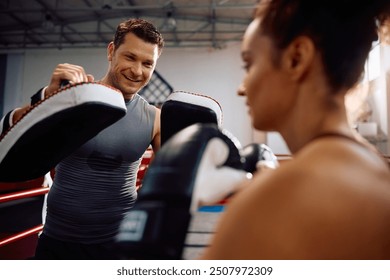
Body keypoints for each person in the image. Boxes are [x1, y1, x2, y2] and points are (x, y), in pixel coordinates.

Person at [201, 0, 390, 259]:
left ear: (296, 58)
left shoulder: (274, 202)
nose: (241, 88)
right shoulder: (375, 170)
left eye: (249, 65)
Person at [1, 18, 164, 259]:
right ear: (111, 51)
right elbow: (10, 135)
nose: (137, 71)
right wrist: (47, 97)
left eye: (147, 63)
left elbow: (167, 185)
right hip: (58, 240)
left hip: (117, 243)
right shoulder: (76, 99)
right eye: (130, 57)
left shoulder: (155, 118)